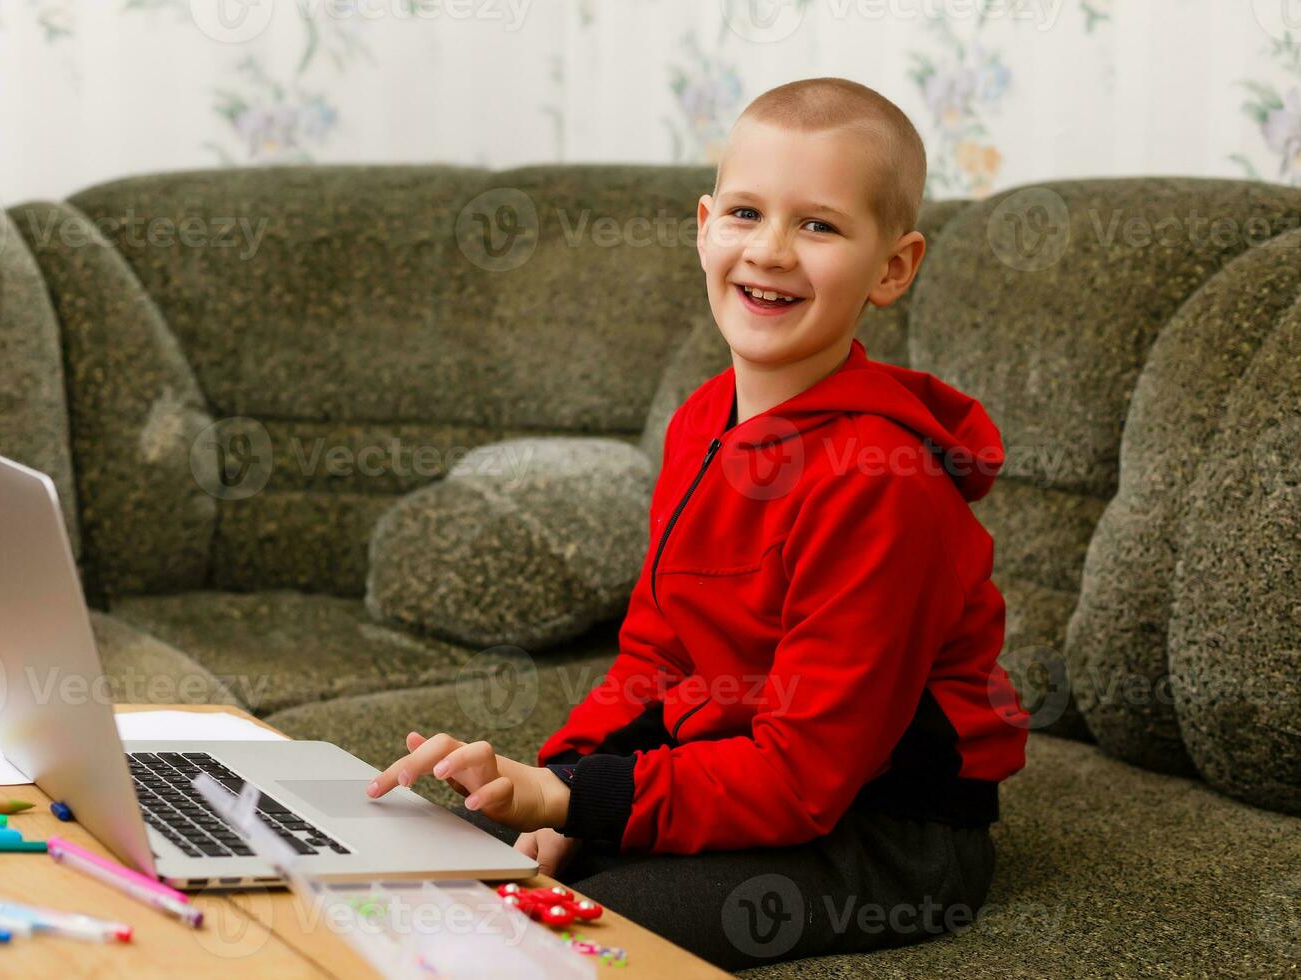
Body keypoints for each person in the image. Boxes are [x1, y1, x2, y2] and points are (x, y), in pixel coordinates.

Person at [366, 76, 1030, 971]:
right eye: (747, 213)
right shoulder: (701, 421)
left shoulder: (883, 483)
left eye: (819, 225)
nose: (772, 251)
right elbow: (657, 657)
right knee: (469, 865)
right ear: (704, 225)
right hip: (739, 765)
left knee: (568, 935)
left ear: (893, 268)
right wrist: (554, 786)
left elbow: (805, 780)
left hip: (889, 831)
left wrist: (572, 802)